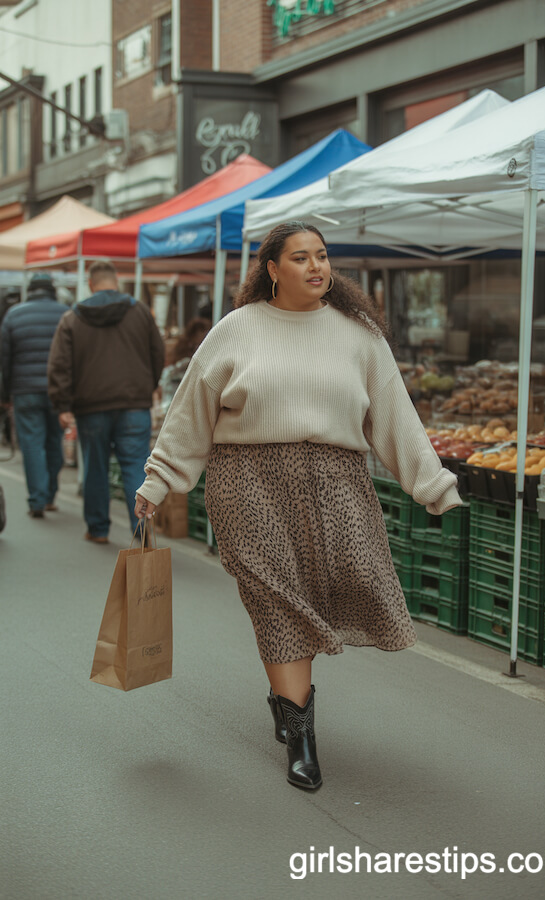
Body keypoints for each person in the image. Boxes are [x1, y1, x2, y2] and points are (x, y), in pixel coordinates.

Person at [134, 221, 461, 791]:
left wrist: (433, 485)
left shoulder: (358, 335)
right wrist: (159, 481)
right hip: (247, 479)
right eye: (302, 258)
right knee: (277, 600)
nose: (317, 267)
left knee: (343, 586)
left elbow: (393, 416)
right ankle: (302, 734)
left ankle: (286, 703)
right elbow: (191, 413)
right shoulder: (236, 329)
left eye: (323, 256)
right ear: (272, 270)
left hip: (335, 480)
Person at [48, 260, 164, 543]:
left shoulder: (73, 318)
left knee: (96, 468)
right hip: (134, 404)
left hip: (91, 407)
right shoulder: (140, 313)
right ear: (117, 281)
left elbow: (60, 365)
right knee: (135, 466)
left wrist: (63, 404)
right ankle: (141, 530)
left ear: (90, 283)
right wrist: (147, 386)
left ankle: (98, 529)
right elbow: (157, 353)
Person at [0, 273, 68, 517]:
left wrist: (5, 392)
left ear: (30, 290)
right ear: (52, 290)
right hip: (57, 391)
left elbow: (4, 360)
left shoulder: (14, 315)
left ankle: (37, 500)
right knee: (53, 442)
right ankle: (50, 495)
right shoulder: (66, 313)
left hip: (25, 390)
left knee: (31, 445)